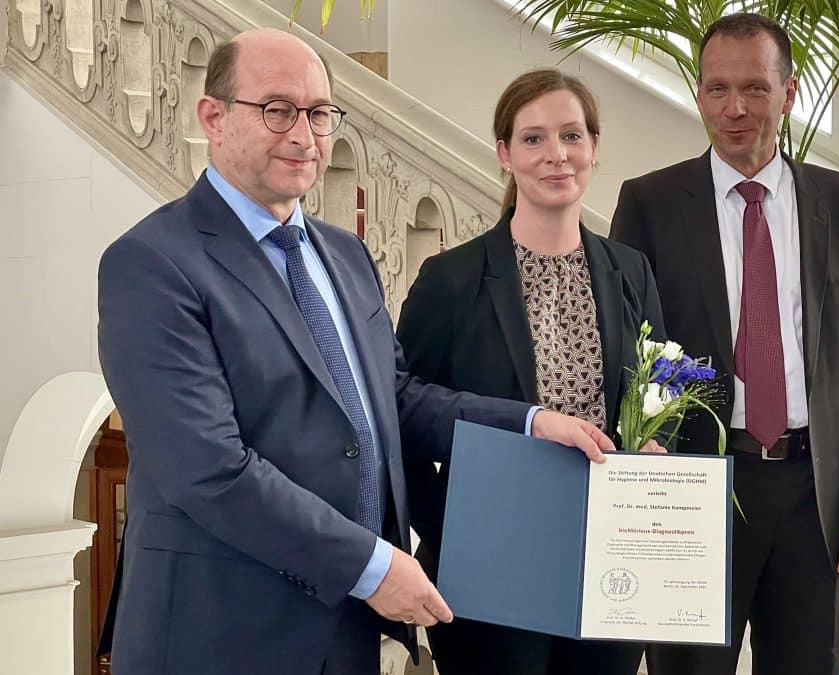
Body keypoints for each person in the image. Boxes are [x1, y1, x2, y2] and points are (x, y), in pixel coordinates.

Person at [95, 30, 613, 675]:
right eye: (277, 110)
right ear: (214, 116)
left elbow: (393, 399)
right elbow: (207, 468)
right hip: (224, 627)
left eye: (318, 113)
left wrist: (533, 424)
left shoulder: (343, 254)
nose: (304, 135)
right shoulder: (151, 263)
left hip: (344, 626)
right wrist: (371, 567)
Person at [609, 13, 839, 675]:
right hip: (696, 490)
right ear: (699, 95)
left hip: (814, 497)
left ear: (789, 92)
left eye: (753, 88)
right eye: (717, 89)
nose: (735, 107)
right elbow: (627, 351)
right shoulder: (650, 203)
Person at [395, 68, 665, 675]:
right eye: (534, 139)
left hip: (610, 561)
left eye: (572, 136)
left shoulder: (631, 271)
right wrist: (452, 525)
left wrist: (656, 444)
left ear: (593, 149)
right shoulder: (452, 280)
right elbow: (401, 410)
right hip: (491, 567)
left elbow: (660, 387)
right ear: (505, 154)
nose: (556, 155)